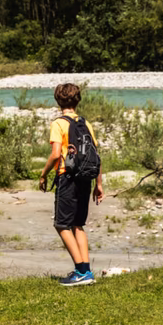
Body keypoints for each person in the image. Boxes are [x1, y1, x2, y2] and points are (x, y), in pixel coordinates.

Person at [38, 82, 104, 287]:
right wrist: (99, 184)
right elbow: (95, 156)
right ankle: (86, 271)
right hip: (86, 178)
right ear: (78, 100)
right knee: (78, 225)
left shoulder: (59, 124)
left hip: (67, 178)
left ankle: (81, 271)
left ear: (58, 101)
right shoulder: (86, 123)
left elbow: (56, 154)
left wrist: (43, 175)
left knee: (61, 224)